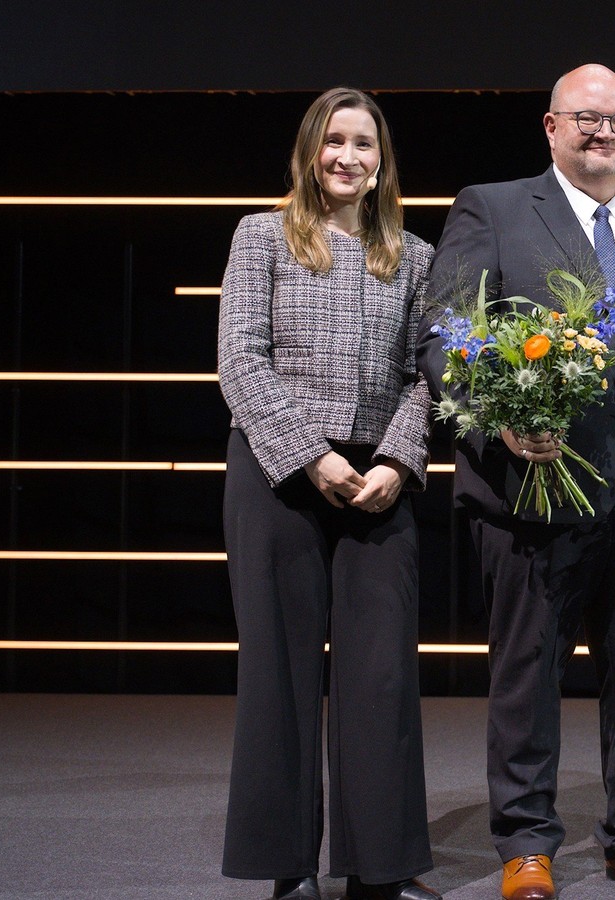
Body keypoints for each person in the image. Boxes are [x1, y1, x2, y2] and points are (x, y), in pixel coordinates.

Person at [417, 64, 615, 900]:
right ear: (550, 128)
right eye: (586, 119)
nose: (604, 132)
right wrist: (497, 423)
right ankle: (526, 844)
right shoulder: (491, 207)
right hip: (534, 487)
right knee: (527, 676)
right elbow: (446, 340)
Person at [217, 88, 439, 900]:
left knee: (380, 676)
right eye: (335, 141)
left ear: (383, 161)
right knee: (278, 671)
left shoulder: (413, 255)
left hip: (379, 479)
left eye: (365, 144)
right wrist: (311, 457)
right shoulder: (261, 236)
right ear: (311, 151)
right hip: (278, 474)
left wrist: (397, 459)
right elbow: (239, 360)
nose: (349, 157)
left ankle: (378, 867)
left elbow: (429, 374)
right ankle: (287, 867)